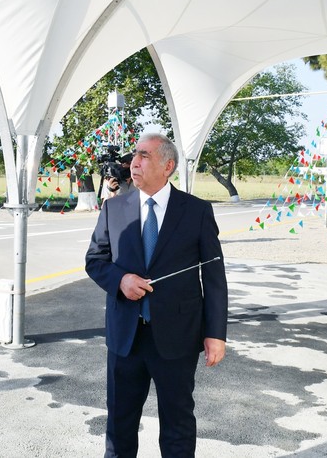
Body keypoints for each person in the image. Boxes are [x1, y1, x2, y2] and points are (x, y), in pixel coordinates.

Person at [85, 133, 228, 457]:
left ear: (168, 166)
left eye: (144, 156)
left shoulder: (196, 211)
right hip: (125, 339)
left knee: (178, 426)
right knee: (119, 427)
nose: (134, 163)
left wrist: (215, 334)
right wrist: (120, 280)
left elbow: (214, 277)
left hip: (177, 338)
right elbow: (95, 260)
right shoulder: (113, 208)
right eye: (134, 155)